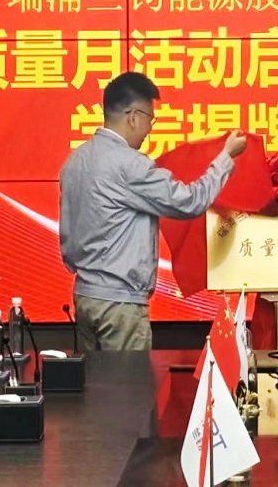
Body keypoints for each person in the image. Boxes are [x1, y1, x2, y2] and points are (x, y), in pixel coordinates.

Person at [59, 72, 247, 351]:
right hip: (120, 306)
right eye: (150, 119)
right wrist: (226, 157)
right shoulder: (130, 165)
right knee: (128, 380)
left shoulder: (75, 161)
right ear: (134, 117)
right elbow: (189, 202)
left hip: (85, 298)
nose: (150, 129)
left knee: (95, 379)